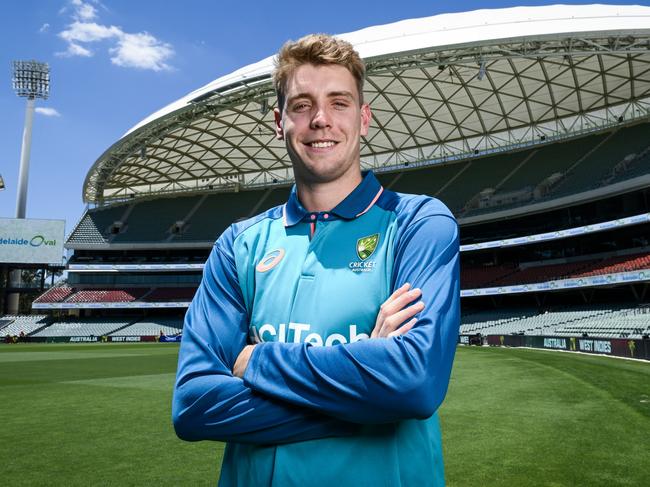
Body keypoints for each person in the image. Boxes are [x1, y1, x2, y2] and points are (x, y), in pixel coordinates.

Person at [172, 34, 460, 486]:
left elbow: (414, 383)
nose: (321, 120)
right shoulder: (238, 244)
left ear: (363, 119)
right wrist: (371, 396)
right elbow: (193, 405)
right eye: (302, 105)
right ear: (279, 120)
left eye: (339, 103)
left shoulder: (418, 222)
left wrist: (260, 362)